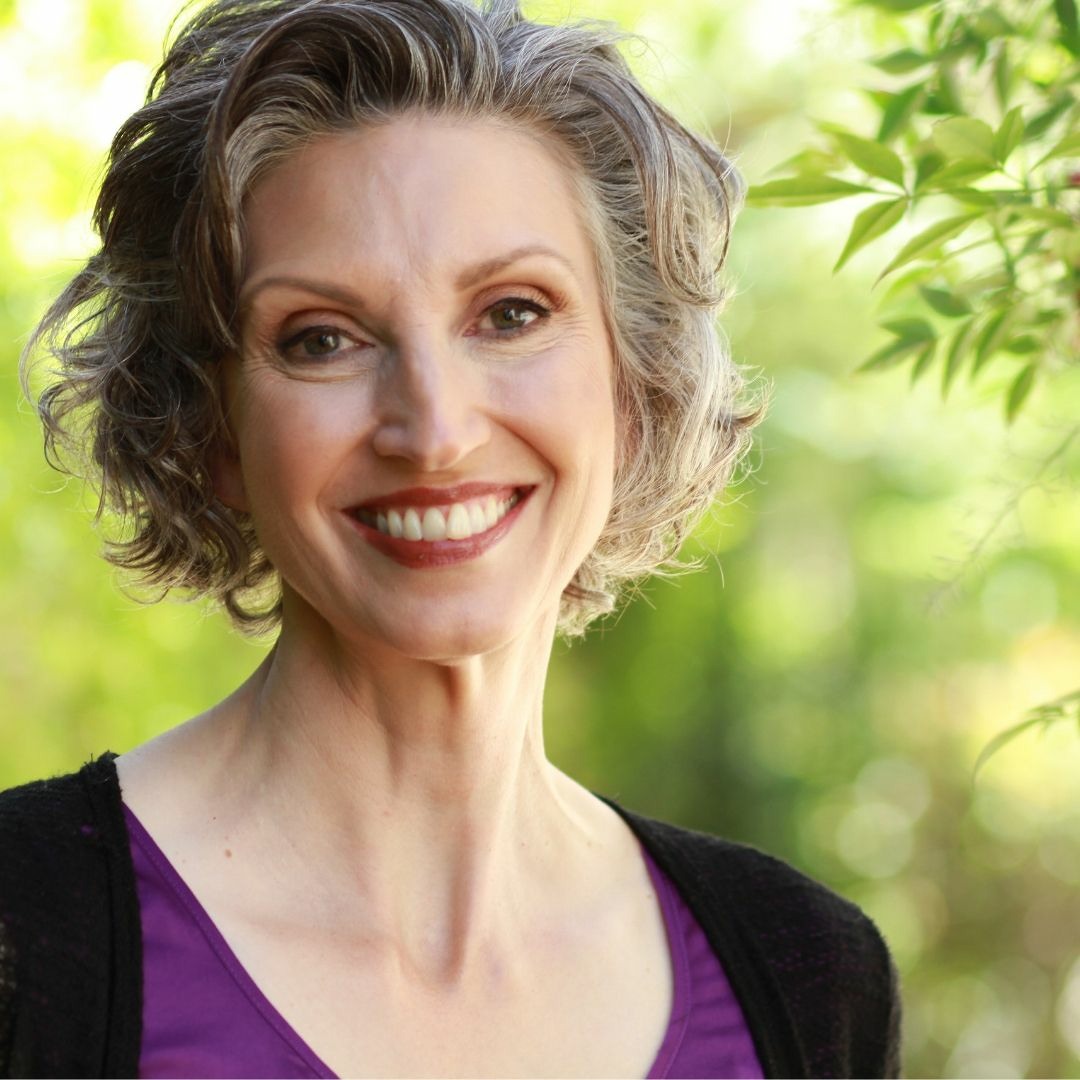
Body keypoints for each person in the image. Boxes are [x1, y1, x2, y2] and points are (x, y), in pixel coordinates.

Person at [1, 0, 901, 1076]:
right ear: (211, 428)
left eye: (512, 313)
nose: (434, 432)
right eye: (322, 339)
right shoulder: (22, 930)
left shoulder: (809, 974)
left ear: (633, 381)